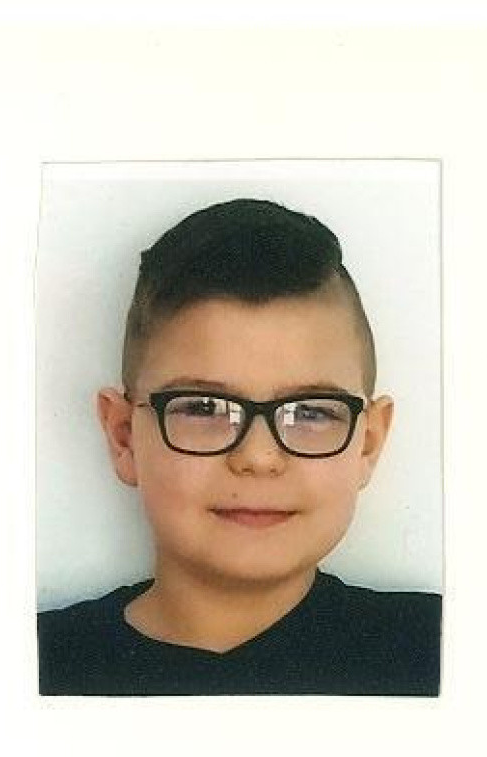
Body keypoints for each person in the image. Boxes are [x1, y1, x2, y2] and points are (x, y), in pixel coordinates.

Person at [37, 197, 442, 696]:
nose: (258, 457)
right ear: (124, 437)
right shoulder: (24, 666)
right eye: (204, 408)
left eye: (311, 412)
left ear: (368, 444)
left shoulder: (451, 650)